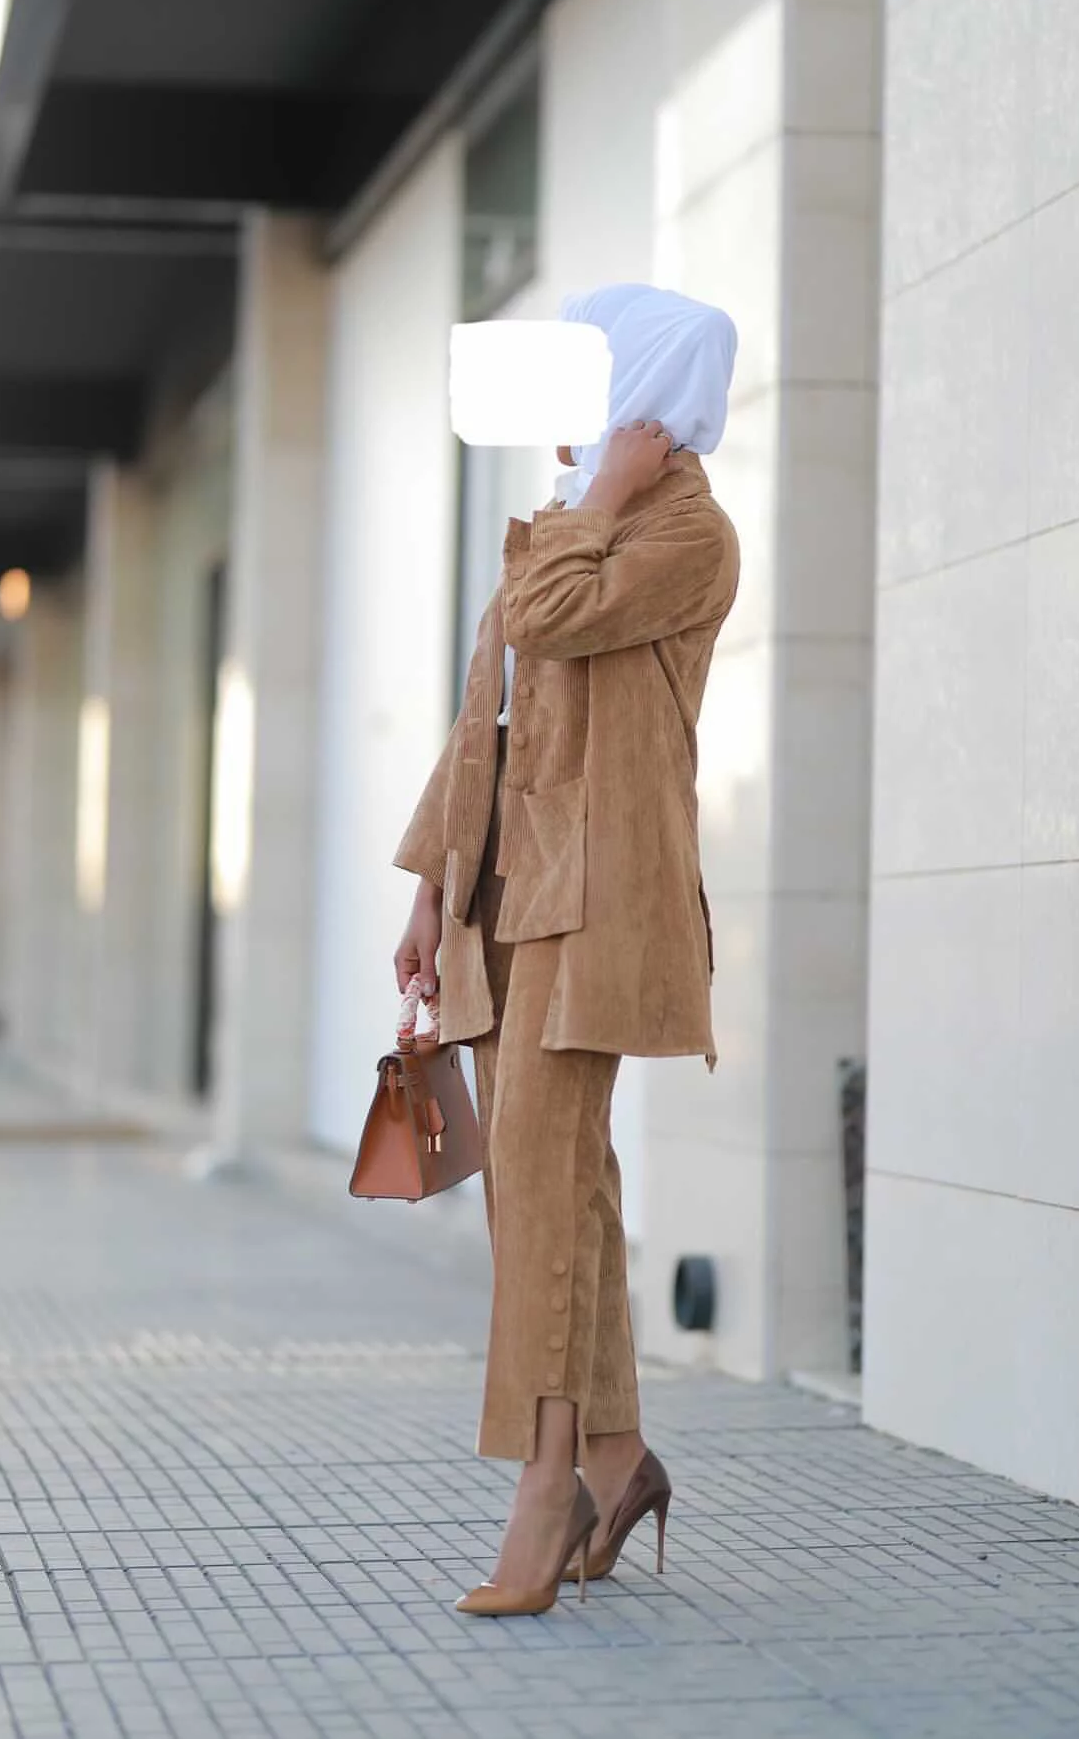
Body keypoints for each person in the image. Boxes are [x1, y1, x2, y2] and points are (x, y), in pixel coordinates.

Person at [393, 283, 740, 1616]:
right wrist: (433, 887)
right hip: (504, 893)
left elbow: (546, 618)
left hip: (595, 905)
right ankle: (615, 1456)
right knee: (560, 1186)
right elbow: (482, 716)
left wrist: (598, 497)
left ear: (643, 391)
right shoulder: (572, 521)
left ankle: (546, 1490)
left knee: (539, 1184)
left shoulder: (686, 534)